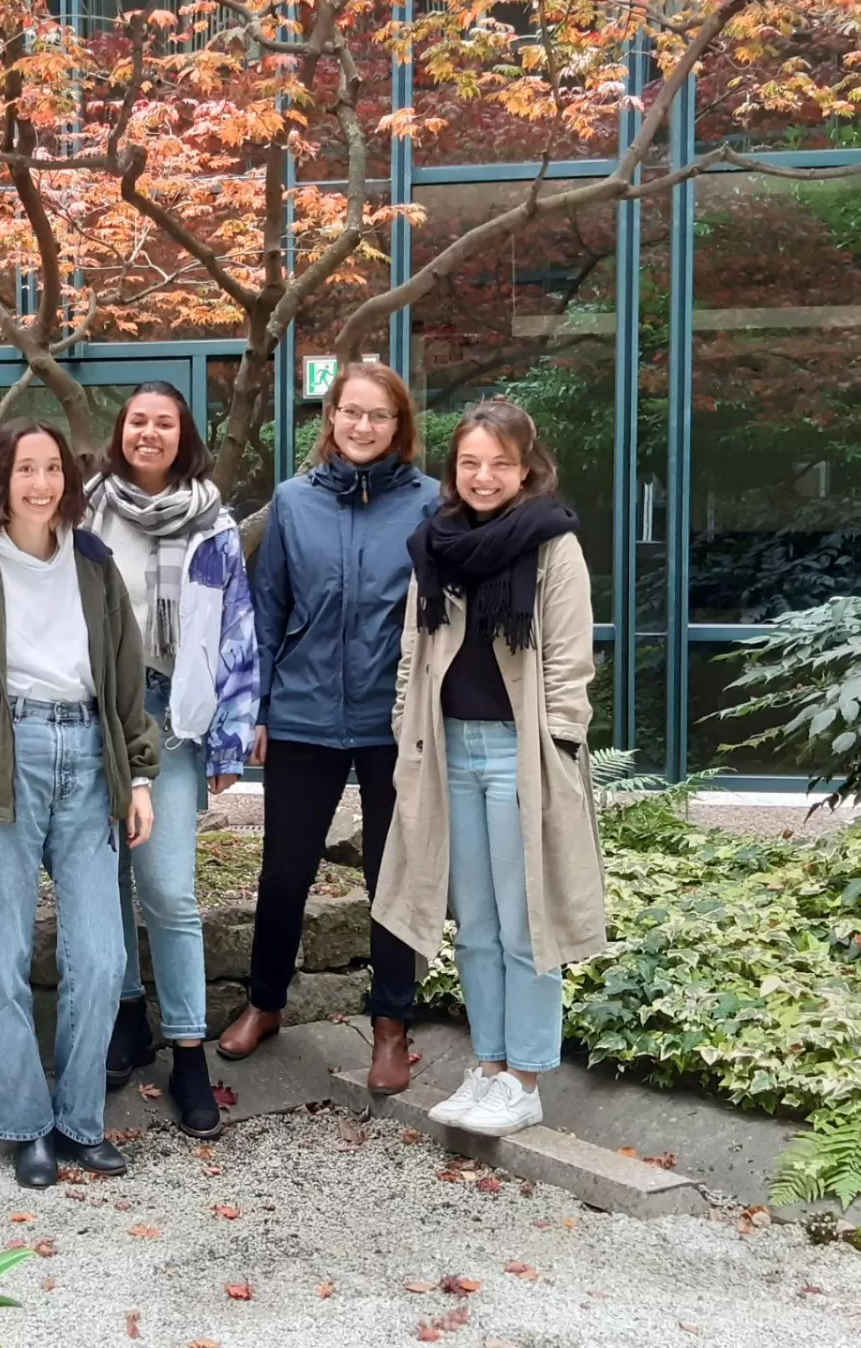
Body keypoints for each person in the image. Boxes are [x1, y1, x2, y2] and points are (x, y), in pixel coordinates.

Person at [0, 419, 161, 1189]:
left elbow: (125, 675)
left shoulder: (93, 562)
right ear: (2, 477)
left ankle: (79, 1121)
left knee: (103, 957)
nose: (41, 483)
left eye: (53, 468)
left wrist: (140, 777)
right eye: (25, 468)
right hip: (4, 759)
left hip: (87, 757)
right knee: (7, 958)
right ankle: (25, 1126)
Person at [373, 399, 604, 1135]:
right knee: (472, 923)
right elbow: (413, 651)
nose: (483, 476)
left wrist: (558, 744)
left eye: (500, 463)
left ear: (527, 468)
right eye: (470, 462)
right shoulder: (434, 543)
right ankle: (489, 1065)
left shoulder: (552, 544)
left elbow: (570, 661)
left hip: (520, 754)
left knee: (526, 920)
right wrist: (405, 730)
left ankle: (525, 1079)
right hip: (447, 750)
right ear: (454, 469)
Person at [216, 362, 440, 1096]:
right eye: (351, 412)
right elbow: (269, 607)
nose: (363, 426)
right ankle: (266, 1002)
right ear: (331, 418)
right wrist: (258, 709)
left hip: (392, 719)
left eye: (379, 415)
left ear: (399, 426)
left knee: (389, 876)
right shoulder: (293, 501)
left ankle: (391, 1025)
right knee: (285, 870)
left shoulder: (430, 503)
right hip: (304, 713)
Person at [86, 383, 256, 1139]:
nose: (148, 433)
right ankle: (128, 1017)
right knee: (106, 879)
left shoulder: (212, 523)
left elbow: (238, 629)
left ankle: (189, 1051)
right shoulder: (85, 512)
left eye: (164, 423)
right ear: (120, 431)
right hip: (98, 713)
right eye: (137, 421)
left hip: (176, 718)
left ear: (183, 436)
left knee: (169, 891)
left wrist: (232, 734)